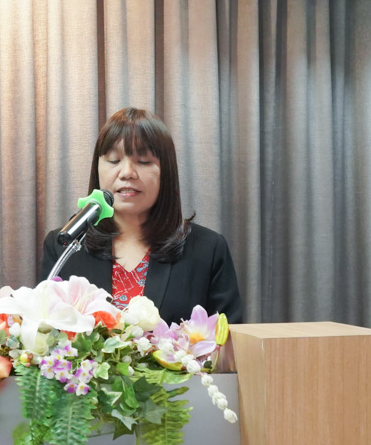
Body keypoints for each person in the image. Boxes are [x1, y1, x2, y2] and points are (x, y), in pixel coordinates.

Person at [40, 108, 244, 324]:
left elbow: (228, 336)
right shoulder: (64, 246)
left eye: (143, 161)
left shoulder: (208, 249)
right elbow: (45, 330)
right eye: (114, 160)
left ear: (166, 172)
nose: (127, 173)